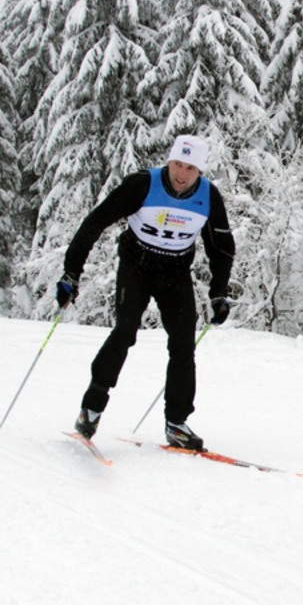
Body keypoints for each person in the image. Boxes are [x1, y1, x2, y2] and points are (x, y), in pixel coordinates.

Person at [56, 135, 235, 451]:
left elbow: (221, 248)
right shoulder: (142, 185)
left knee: (183, 343)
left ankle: (177, 423)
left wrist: (218, 294)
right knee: (125, 330)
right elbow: (95, 223)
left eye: (191, 168)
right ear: (170, 160)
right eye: (178, 163)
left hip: (175, 273)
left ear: (200, 171)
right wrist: (72, 272)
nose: (181, 173)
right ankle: (92, 407)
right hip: (136, 267)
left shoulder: (208, 197)